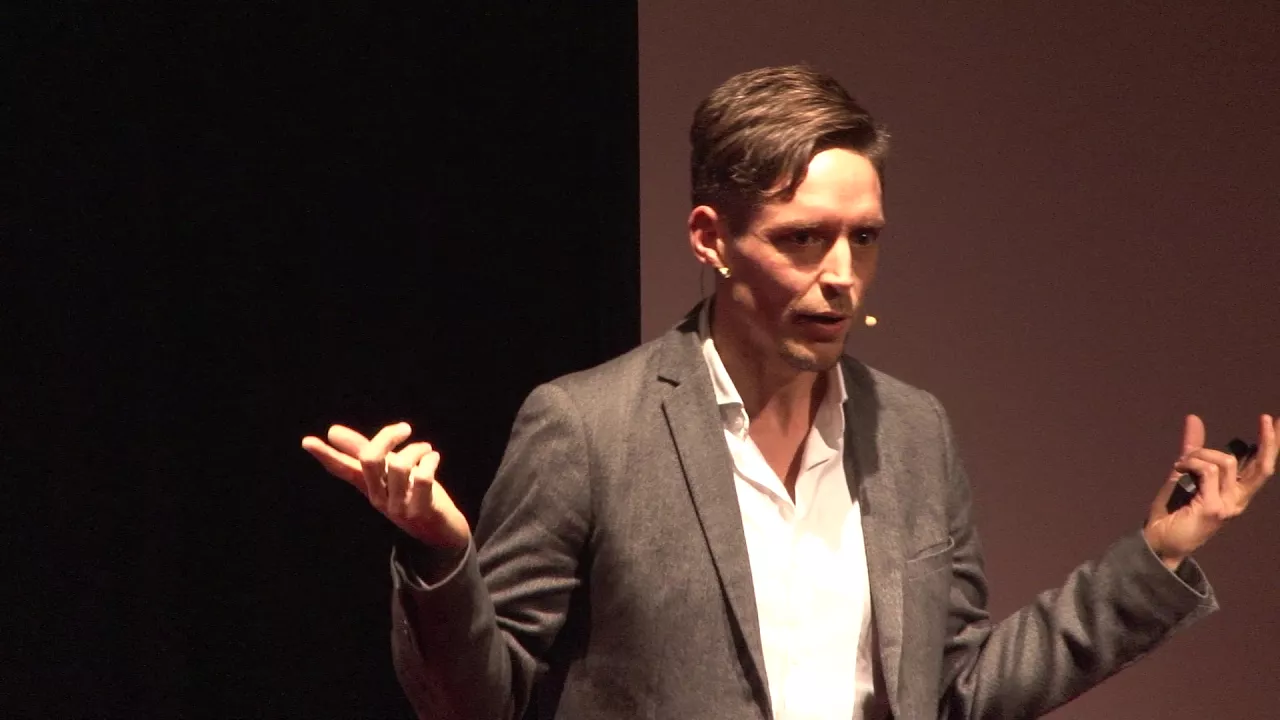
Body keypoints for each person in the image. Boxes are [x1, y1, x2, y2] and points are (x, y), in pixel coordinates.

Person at [301, 65, 1278, 720]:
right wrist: (442, 554)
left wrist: (1156, 556)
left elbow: (957, 690)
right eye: (803, 238)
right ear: (710, 239)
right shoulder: (588, 427)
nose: (842, 275)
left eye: (864, 238)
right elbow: (481, 701)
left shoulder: (911, 433)